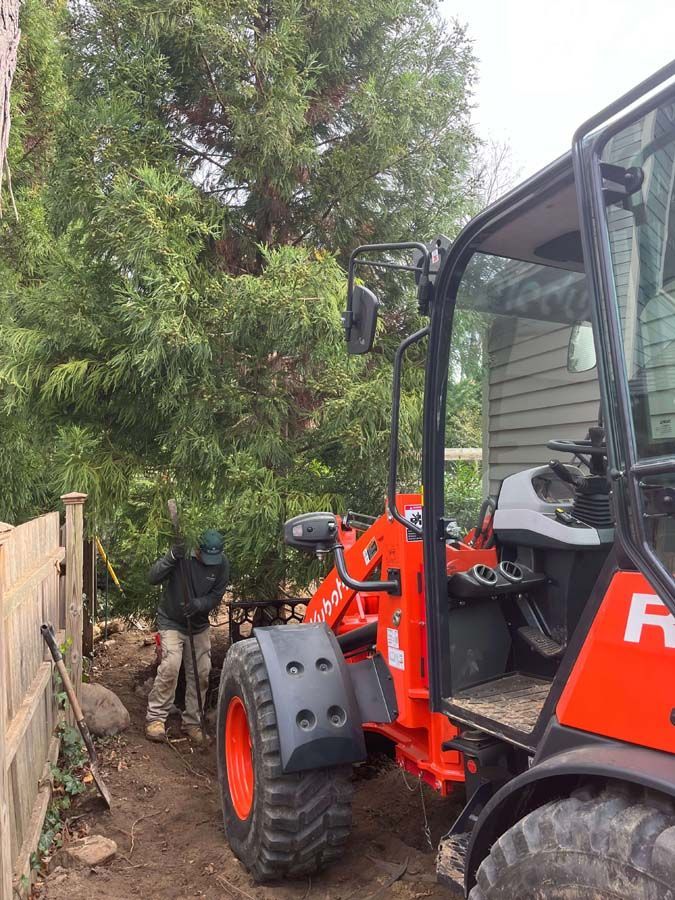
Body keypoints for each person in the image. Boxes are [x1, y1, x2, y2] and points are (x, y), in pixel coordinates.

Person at [145, 529, 229, 744]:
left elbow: (216, 595)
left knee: (201, 672)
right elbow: (153, 577)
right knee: (171, 666)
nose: (210, 563)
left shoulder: (221, 564)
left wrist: (200, 604)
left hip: (198, 624)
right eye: (206, 557)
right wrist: (172, 555)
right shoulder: (182, 557)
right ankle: (156, 719)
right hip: (171, 620)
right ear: (197, 551)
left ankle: (193, 722)